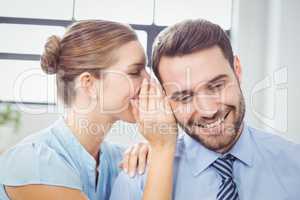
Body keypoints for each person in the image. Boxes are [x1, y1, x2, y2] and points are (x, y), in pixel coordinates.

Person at [110, 19, 300, 200]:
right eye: (184, 97)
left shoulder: (294, 164)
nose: (208, 111)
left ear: (237, 69)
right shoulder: (137, 181)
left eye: (216, 86)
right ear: (165, 98)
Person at [0, 20, 152, 200]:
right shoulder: (31, 161)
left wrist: (156, 153)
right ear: (89, 84)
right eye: (135, 72)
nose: (149, 81)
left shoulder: (121, 159)